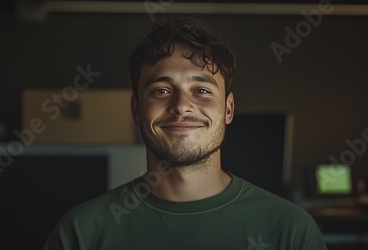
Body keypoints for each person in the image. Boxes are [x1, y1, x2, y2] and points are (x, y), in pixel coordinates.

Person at [43, 17, 327, 250]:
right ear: (136, 110)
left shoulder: (291, 231)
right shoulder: (80, 234)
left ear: (228, 110)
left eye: (201, 90)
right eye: (161, 91)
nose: (181, 106)